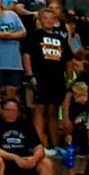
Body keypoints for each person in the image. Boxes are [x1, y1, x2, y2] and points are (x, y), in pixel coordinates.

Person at [24, 8, 72, 148]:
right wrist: (30, 74)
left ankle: (55, 145)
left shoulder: (61, 39)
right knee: (39, 109)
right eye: (46, 18)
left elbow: (69, 60)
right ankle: (39, 145)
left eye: (52, 18)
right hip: (40, 77)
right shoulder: (34, 35)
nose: (49, 21)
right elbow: (26, 55)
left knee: (54, 110)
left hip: (57, 78)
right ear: (40, 20)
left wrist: (69, 78)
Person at [0, 99, 53, 175]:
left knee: (46, 162)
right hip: (6, 164)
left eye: (13, 110)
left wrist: (34, 159)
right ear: (2, 110)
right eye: (7, 110)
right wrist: (15, 158)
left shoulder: (26, 124)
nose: (10, 112)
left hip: (25, 163)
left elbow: (39, 148)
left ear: (18, 112)